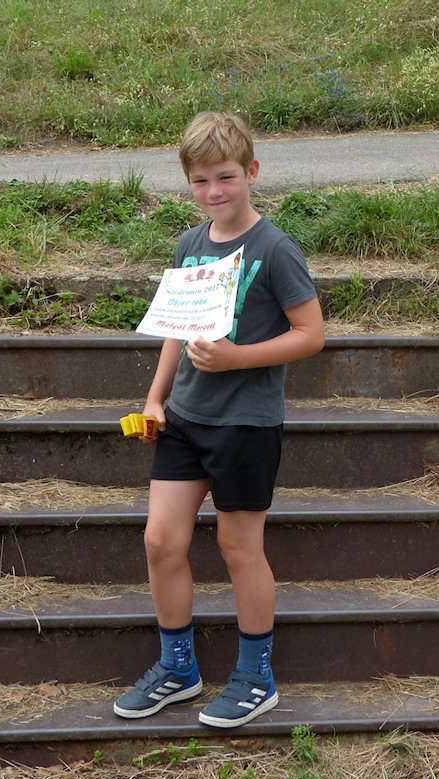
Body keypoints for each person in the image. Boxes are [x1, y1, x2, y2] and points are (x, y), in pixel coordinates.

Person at [113, 111, 325, 728]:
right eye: (200, 180)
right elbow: (175, 329)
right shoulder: (190, 243)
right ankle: (178, 669)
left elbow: (311, 334)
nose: (214, 191)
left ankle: (256, 678)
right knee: (160, 541)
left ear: (251, 172)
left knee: (238, 547)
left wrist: (237, 358)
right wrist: (155, 399)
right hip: (183, 417)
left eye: (226, 177)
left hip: (246, 424)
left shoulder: (276, 249)